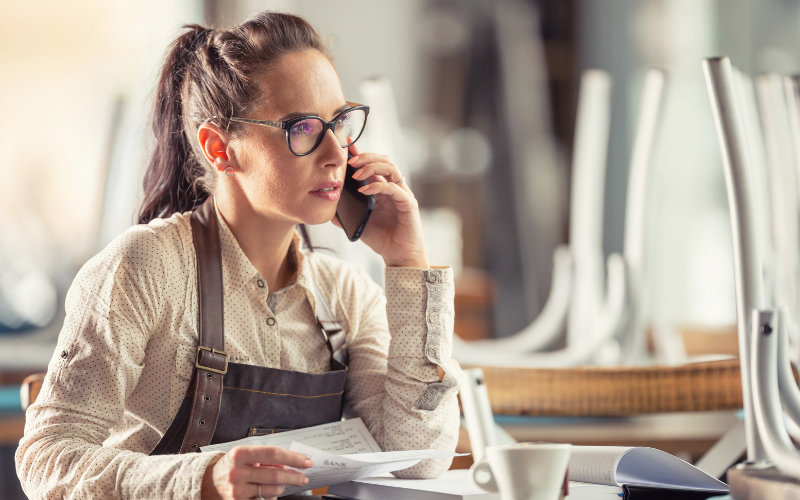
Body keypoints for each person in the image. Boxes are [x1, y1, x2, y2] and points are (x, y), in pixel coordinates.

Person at [15, 11, 463, 500]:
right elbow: (47, 459)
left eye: (339, 122)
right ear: (219, 147)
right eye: (304, 127)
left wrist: (408, 262)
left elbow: (421, 456)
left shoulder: (345, 294)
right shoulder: (146, 267)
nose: (336, 153)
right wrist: (202, 480)